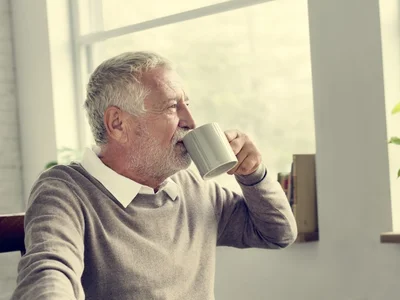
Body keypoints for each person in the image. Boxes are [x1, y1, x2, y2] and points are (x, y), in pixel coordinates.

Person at [11, 51, 297, 300]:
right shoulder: (65, 191)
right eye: (173, 107)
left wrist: (252, 174)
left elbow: (277, 233)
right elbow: (48, 275)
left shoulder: (190, 187)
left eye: (188, 104)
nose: (191, 121)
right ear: (118, 123)